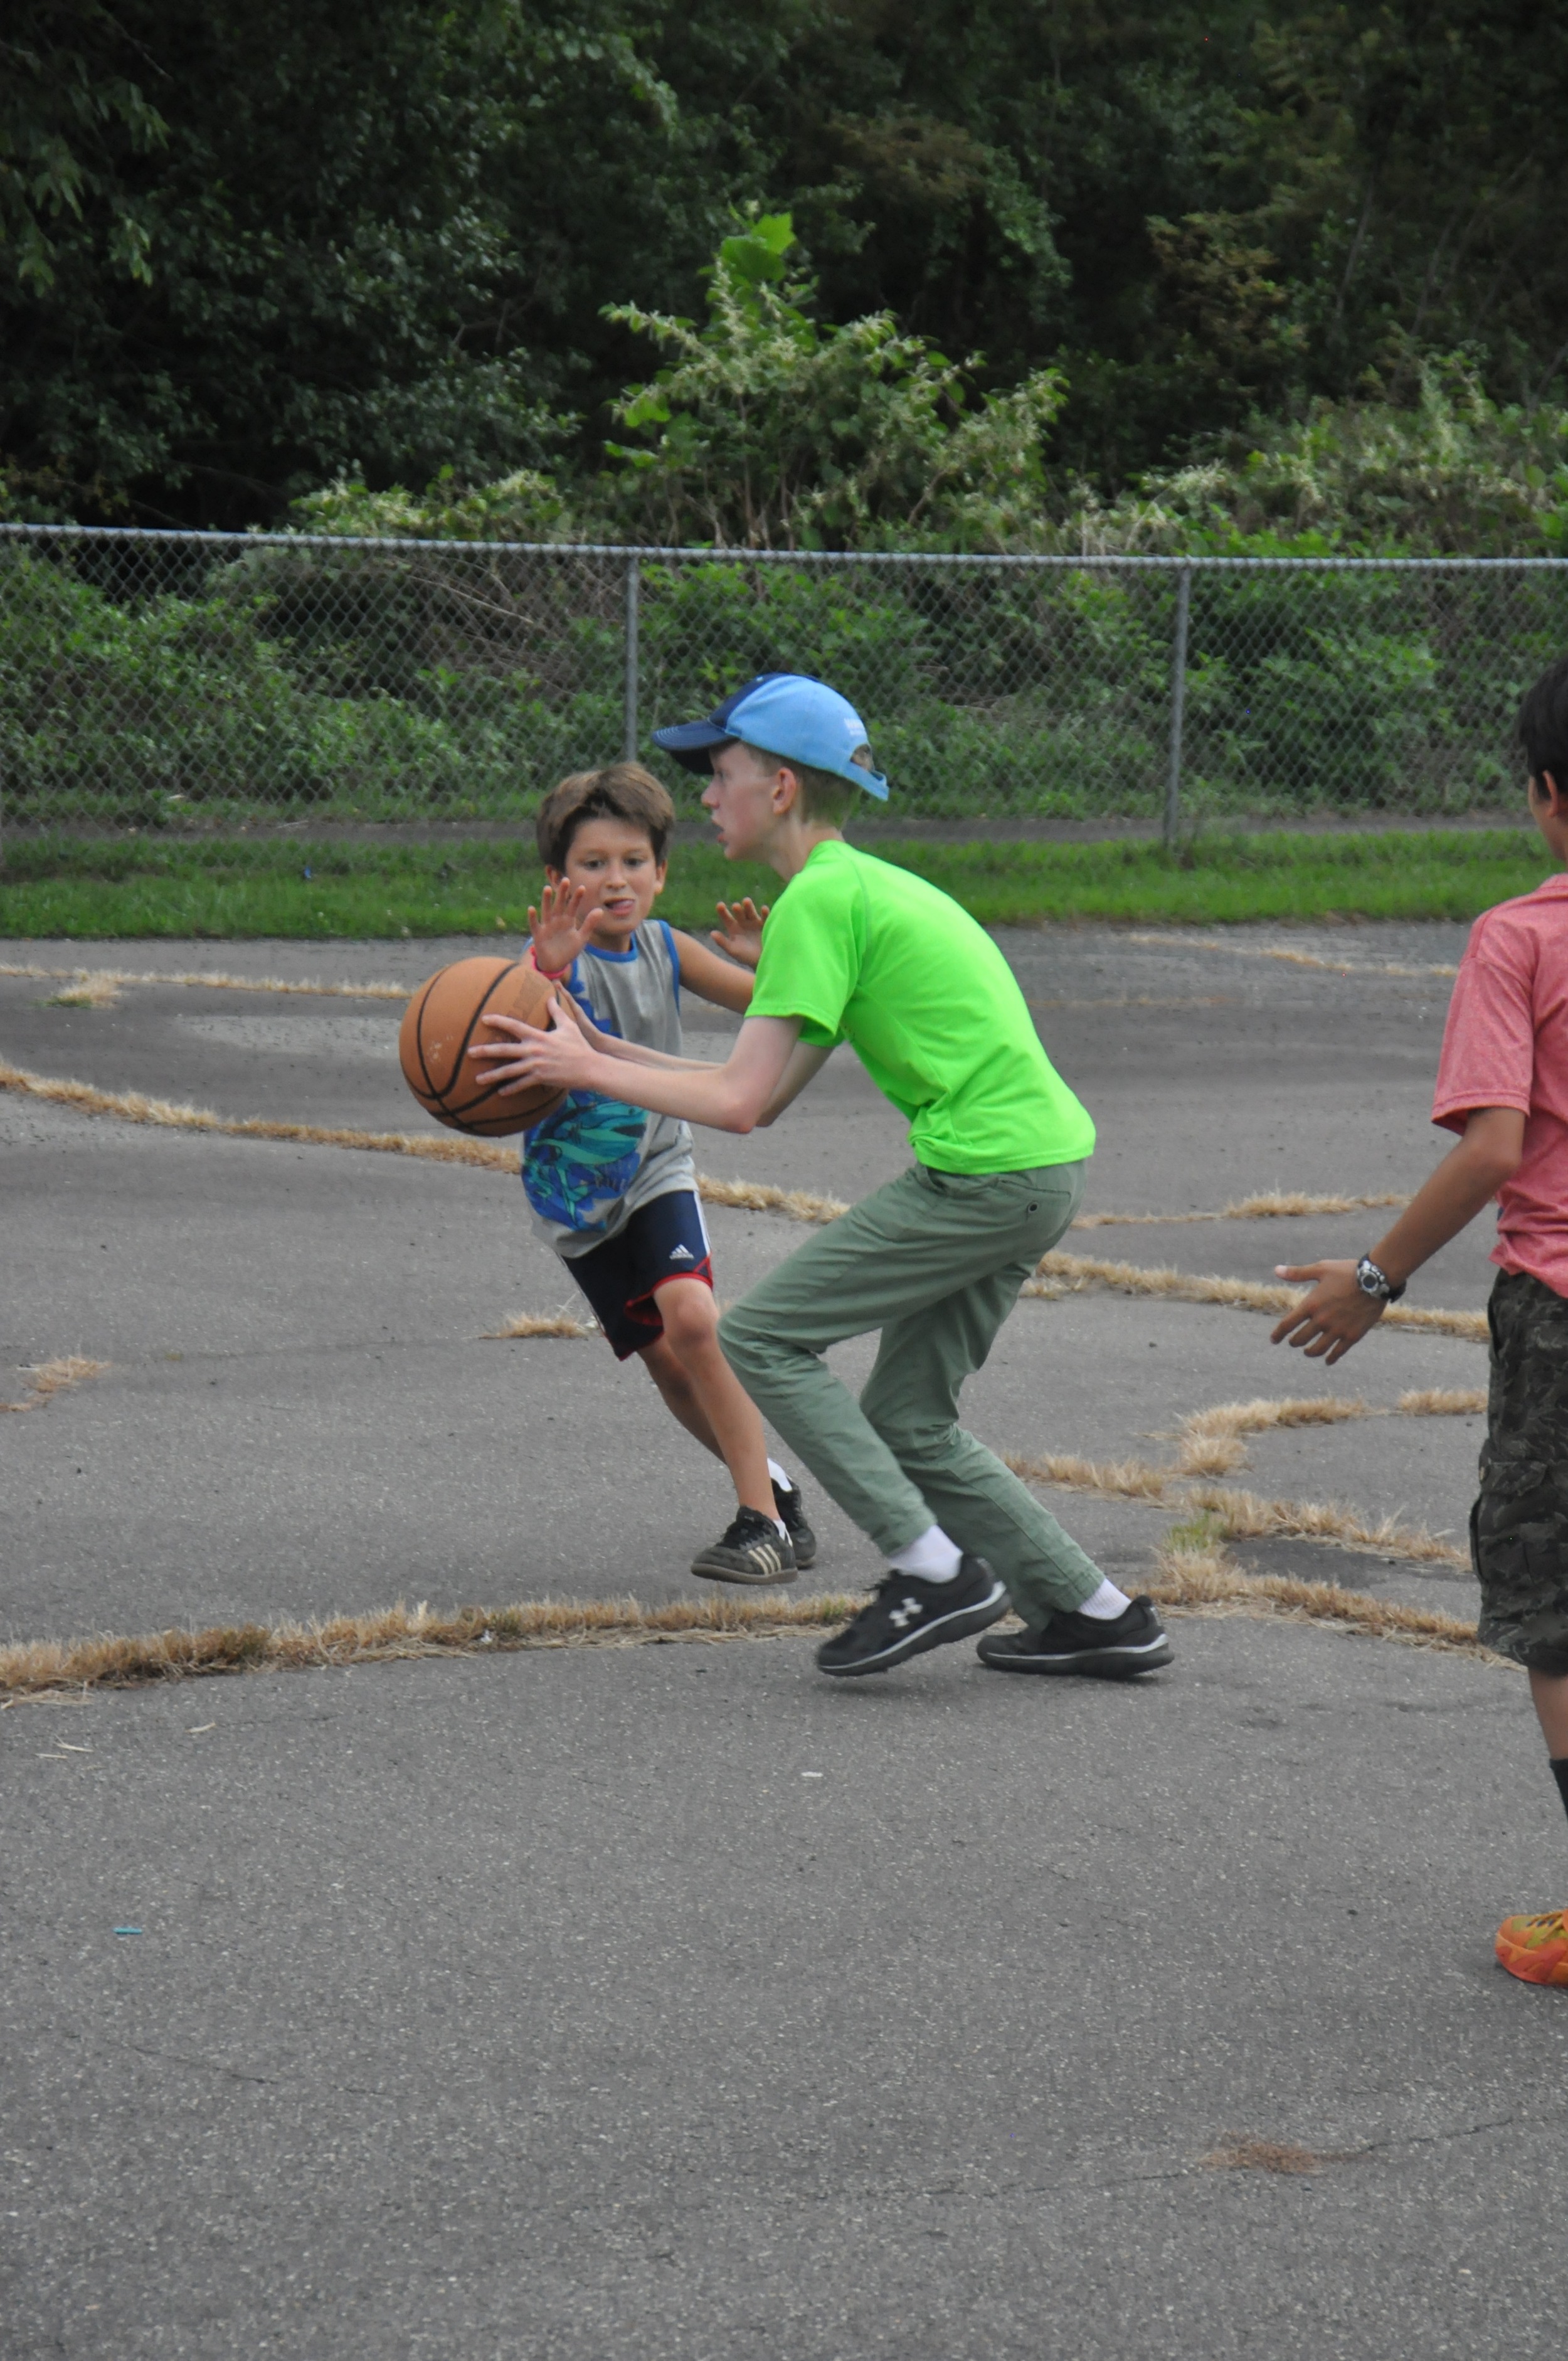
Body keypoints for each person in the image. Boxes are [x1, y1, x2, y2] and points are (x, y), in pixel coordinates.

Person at [474, 676, 1173, 1682]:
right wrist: (596, 1044)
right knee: (909, 1418)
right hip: (1037, 1168)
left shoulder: (821, 904)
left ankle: (931, 1569)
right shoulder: (852, 890)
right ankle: (1095, 1610)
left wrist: (586, 1068)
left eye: (722, 774)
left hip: (982, 1176)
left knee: (758, 1335)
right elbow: (750, 1087)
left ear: (783, 788)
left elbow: (743, 1107)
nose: (708, 798)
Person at [1271, 653, 1568, 1989]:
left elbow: (1494, 1146)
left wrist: (1374, 1280)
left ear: (1545, 794)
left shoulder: (1519, 936)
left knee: (1555, 1607)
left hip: (1558, 1311)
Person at [516, 760, 815, 1585]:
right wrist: (546, 969)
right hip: (575, 1198)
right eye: (593, 864)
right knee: (666, 1361)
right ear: (558, 880)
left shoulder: (664, 946)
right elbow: (511, 1052)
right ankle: (777, 1490)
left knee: (694, 1320)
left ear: (662, 872)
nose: (616, 880)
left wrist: (771, 957)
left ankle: (761, 1525)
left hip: (658, 1169)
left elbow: (773, 1002)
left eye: (634, 862)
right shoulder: (545, 962)